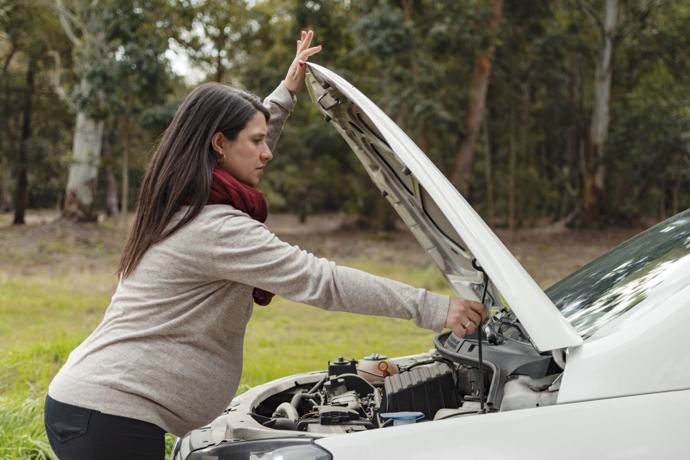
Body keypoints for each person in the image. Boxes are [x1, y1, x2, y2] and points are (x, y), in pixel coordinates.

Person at [44, 30, 487, 460]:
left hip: (96, 410)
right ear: (219, 145)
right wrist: (432, 307)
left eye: (263, 138)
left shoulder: (188, 198)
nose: (266, 152)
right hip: (107, 417)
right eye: (256, 142)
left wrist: (286, 93)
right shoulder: (216, 228)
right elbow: (320, 281)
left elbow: (247, 143)